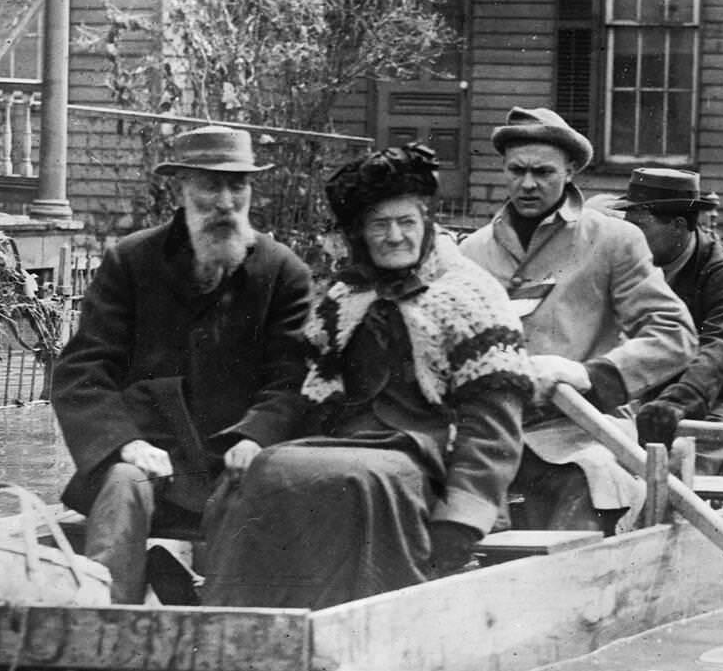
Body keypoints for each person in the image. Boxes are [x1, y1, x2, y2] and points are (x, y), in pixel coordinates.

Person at [198, 143, 533, 609]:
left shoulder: (471, 296)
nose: (394, 236)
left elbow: (493, 424)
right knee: (262, 472)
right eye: (380, 225)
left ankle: (365, 618)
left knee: (353, 479)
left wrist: (463, 513)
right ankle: (243, 614)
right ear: (361, 234)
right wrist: (256, 437)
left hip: (421, 452)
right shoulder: (345, 296)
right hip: (340, 441)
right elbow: (308, 391)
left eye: (406, 223)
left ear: (427, 225)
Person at [51, 125, 312, 604]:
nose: (226, 202)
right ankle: (102, 619)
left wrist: (258, 436)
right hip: (151, 455)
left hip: (238, 457)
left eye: (238, 186)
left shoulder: (283, 272)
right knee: (122, 485)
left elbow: (293, 377)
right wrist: (125, 442)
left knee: (255, 504)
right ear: (183, 187)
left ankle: (223, 627)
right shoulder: (131, 262)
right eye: (211, 185)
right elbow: (83, 371)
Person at [460, 107, 697, 532]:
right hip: (492, 434)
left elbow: (674, 334)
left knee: (590, 487)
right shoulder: (471, 252)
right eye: (516, 170)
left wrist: (586, 375)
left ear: (570, 171)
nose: (528, 184)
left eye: (543, 172)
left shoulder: (613, 241)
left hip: (584, 430)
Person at [592, 168, 723, 474]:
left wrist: (676, 404)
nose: (629, 237)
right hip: (655, 406)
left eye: (640, 226)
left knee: (680, 459)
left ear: (678, 226)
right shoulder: (630, 269)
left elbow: (719, 352)